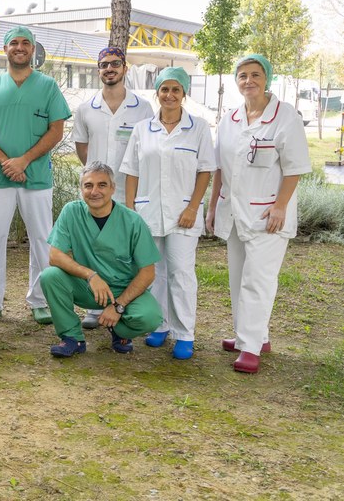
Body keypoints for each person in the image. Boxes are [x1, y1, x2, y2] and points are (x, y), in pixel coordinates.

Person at [206, 54, 311, 374]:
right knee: (238, 277)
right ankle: (252, 336)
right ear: (236, 81)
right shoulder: (230, 119)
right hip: (234, 211)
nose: (248, 80)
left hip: (269, 214)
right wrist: (212, 206)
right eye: (242, 75)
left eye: (255, 74)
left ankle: (250, 348)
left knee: (258, 280)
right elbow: (220, 167)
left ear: (267, 78)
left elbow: (295, 168)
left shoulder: (285, 117)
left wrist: (280, 206)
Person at [0, 25, 71, 324]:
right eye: (13, 42)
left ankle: (40, 300)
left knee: (42, 240)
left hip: (37, 177)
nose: (19, 47)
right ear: (5, 49)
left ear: (33, 49)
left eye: (25, 43)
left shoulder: (48, 86)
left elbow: (56, 131)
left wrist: (24, 160)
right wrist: (7, 163)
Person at [120, 67, 215, 360]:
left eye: (176, 89)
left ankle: (184, 333)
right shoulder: (142, 129)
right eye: (164, 89)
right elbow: (132, 171)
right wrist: (131, 209)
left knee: (181, 272)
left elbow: (205, 170)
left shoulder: (199, 128)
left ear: (184, 93)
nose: (169, 95)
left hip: (183, 213)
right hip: (148, 211)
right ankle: (160, 325)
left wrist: (192, 207)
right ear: (157, 93)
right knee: (153, 272)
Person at [41, 162, 163, 357]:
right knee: (50, 276)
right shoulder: (71, 212)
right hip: (88, 287)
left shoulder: (133, 221)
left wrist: (118, 306)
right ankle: (72, 337)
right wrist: (90, 275)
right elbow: (55, 256)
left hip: (124, 290)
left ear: (113, 188)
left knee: (150, 317)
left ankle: (119, 330)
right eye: (88, 185)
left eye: (102, 185)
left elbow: (148, 273)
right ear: (81, 189)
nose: (94, 191)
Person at [72, 46, 154, 329]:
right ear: (99, 70)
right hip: (96, 191)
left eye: (115, 64)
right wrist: (98, 180)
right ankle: (95, 307)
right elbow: (82, 148)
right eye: (104, 64)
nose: (109, 69)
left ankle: (125, 304)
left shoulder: (143, 108)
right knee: (93, 247)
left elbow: (146, 149)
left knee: (126, 251)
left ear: (125, 68)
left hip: (128, 190)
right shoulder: (86, 108)